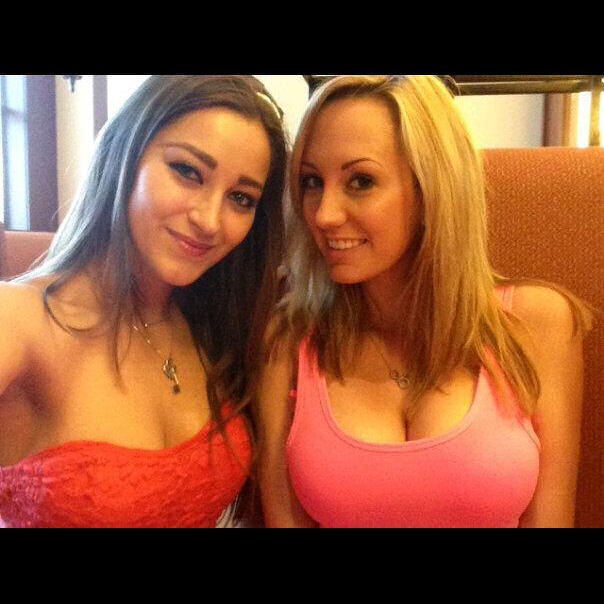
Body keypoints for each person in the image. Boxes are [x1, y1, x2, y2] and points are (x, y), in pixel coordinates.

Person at [256, 75, 592, 529]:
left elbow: (552, 518)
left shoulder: (538, 324)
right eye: (312, 181)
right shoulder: (287, 341)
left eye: (360, 181)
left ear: (433, 188)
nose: (324, 213)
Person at [0, 75, 288, 528]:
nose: (210, 220)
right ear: (126, 154)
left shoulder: (214, 327)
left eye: (241, 197)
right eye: (188, 171)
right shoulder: (19, 319)